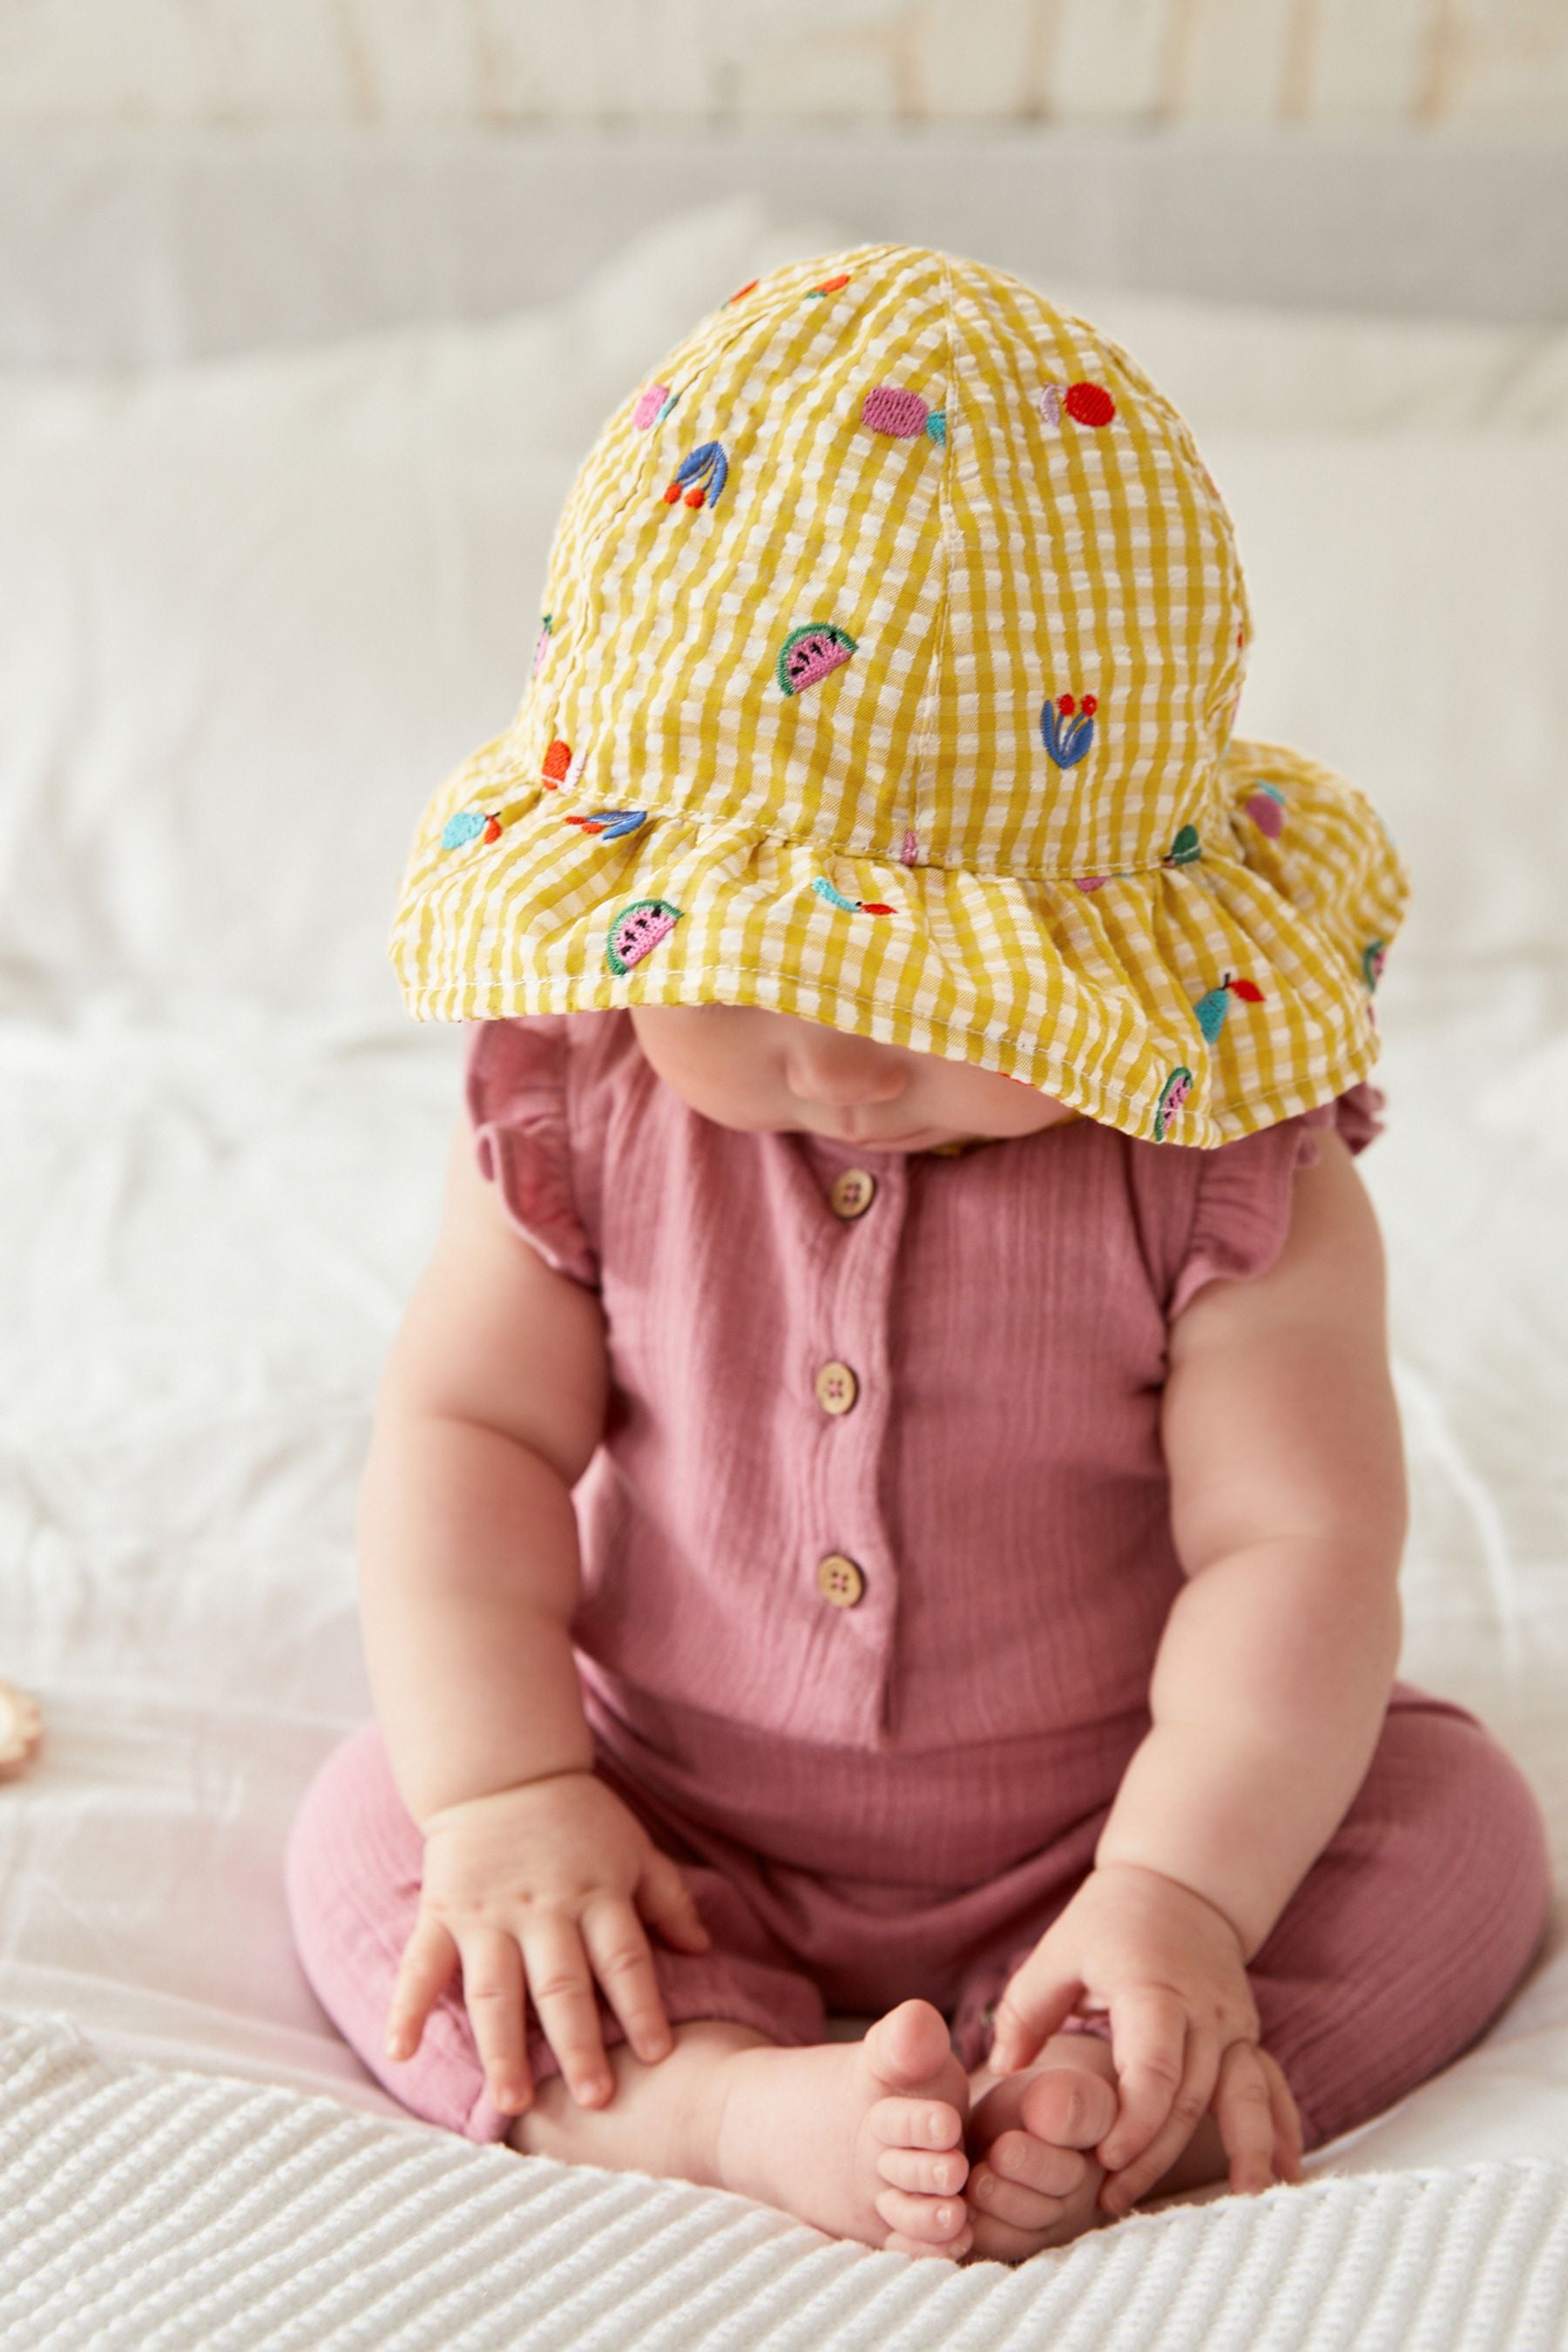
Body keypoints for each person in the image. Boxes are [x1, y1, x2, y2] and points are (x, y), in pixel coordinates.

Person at [284, 245, 1551, 2266]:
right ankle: (721, 2107)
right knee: (377, 1838)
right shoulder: (583, 1101)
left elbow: (1297, 1552)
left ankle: (1095, 2071)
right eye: (770, 962)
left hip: (1114, 1808)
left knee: (1462, 1845)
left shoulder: (1216, 1145)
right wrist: (516, 1792)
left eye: (938, 977)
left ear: (1103, 935)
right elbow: (467, 1442)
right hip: (668, 1820)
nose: (847, 1046)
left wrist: (1184, 1893)